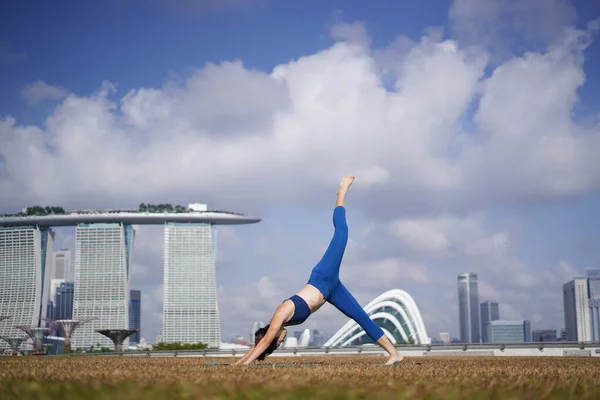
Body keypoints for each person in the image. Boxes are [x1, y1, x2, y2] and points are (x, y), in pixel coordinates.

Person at [233, 175, 404, 366]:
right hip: (331, 290)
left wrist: (241, 364)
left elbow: (263, 342)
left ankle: (341, 192)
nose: (281, 342)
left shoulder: (280, 315)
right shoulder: (283, 323)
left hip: (323, 277)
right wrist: (240, 362)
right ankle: (394, 354)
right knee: (361, 317)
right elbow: (261, 344)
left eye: (278, 342)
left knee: (342, 233)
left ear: (272, 336)